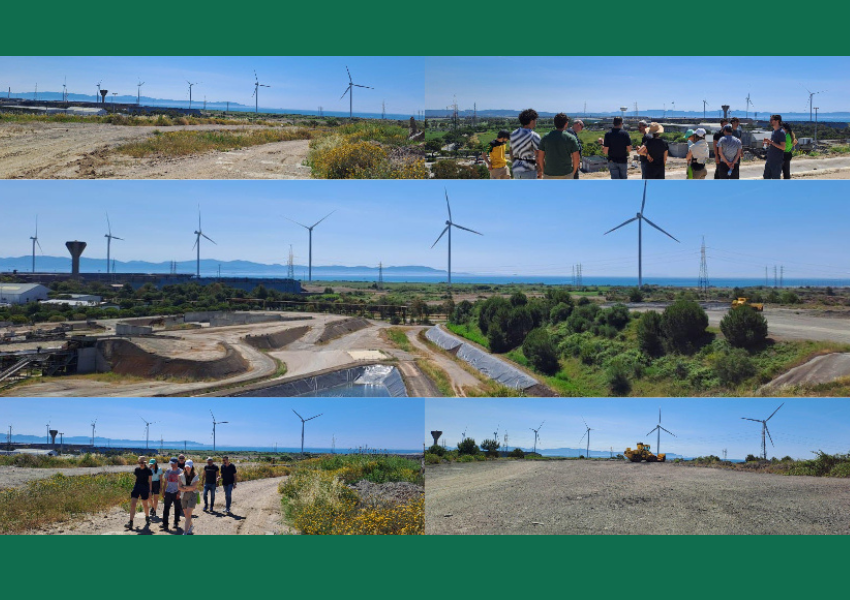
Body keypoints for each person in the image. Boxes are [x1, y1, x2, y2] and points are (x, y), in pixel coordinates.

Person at [536, 113, 580, 179]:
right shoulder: (571, 138)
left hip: (549, 174)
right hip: (566, 173)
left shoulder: (546, 137)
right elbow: (576, 158)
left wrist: (543, 170)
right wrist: (573, 172)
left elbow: (540, 157)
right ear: (566, 124)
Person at [509, 109, 541, 179]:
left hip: (516, 168)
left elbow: (511, 150)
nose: (536, 122)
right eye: (535, 120)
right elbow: (538, 154)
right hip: (529, 169)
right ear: (531, 121)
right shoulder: (534, 136)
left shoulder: (513, 134)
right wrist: (540, 169)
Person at [126, 456, 152, 531]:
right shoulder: (137, 470)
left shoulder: (148, 470)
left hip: (145, 488)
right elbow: (136, 479)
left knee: (145, 505)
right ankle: (130, 522)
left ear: (145, 463)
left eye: (143, 463)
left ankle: (147, 517)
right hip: (137, 487)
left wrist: (150, 491)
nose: (141, 464)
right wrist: (135, 488)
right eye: (140, 462)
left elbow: (150, 482)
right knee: (133, 504)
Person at [160, 457, 183, 532]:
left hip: (176, 491)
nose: (172, 465)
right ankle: (165, 524)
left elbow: (182, 483)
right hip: (168, 491)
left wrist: (179, 492)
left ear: (177, 463)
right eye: (171, 463)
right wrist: (163, 491)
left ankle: (176, 522)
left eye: (173, 463)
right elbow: (165, 482)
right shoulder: (168, 471)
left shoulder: (180, 471)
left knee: (177, 508)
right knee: (166, 508)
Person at [179, 459, 199, 535]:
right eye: (186, 466)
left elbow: (193, 488)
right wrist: (188, 487)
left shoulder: (195, 475)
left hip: (192, 495)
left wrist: (184, 487)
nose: (187, 468)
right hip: (183, 496)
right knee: (186, 515)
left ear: (191, 467)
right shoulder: (181, 475)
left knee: (188, 514)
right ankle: (191, 526)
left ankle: (185, 532)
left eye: (189, 467)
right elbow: (179, 487)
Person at [763, 114, 787, 179]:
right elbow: (774, 144)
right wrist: (768, 143)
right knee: (766, 177)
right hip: (770, 159)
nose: (770, 121)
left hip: (776, 160)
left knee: (775, 178)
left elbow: (783, 147)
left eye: (771, 120)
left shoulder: (781, 133)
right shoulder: (774, 131)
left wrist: (771, 142)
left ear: (777, 121)